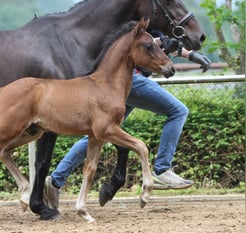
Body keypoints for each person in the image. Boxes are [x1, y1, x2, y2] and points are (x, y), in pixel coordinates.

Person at [43, 34, 211, 209]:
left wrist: (189, 55)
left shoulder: (151, 15)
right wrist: (167, 45)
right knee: (178, 111)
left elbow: (164, 42)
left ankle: (55, 180)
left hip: (126, 79)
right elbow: (145, 43)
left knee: (99, 133)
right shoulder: (136, 17)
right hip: (129, 79)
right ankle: (162, 169)